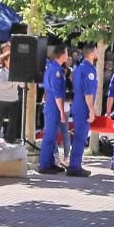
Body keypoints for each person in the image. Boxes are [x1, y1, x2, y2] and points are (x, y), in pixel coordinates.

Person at [66, 45, 98, 177]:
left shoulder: (79, 68)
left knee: (79, 137)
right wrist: (91, 110)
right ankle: (75, 166)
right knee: (80, 137)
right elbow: (88, 93)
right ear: (91, 54)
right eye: (95, 51)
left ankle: (74, 164)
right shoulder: (89, 70)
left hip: (78, 105)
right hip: (84, 107)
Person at [38, 45, 70, 174]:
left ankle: (50, 162)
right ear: (62, 55)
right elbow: (57, 93)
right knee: (50, 136)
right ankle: (44, 165)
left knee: (52, 136)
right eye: (66, 53)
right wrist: (62, 111)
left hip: (52, 106)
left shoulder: (54, 68)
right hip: (53, 107)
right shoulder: (56, 71)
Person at [0, 50, 21, 143]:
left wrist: (19, 80)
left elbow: (22, 85)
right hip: (1, 99)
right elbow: (2, 85)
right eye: (10, 60)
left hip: (14, 99)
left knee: (13, 122)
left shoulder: (16, 71)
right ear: (5, 61)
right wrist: (13, 82)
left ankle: (10, 141)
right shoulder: (0, 71)